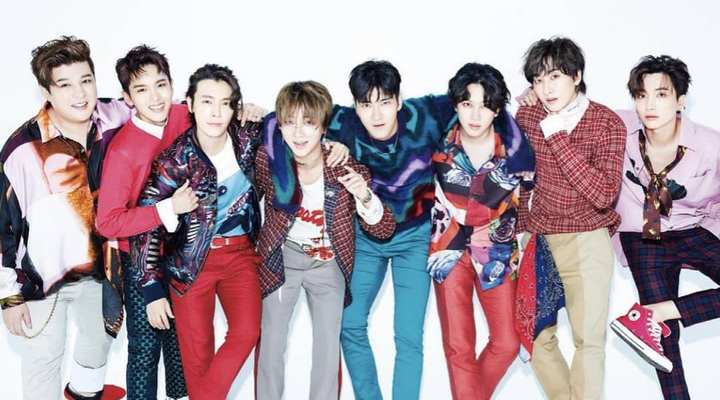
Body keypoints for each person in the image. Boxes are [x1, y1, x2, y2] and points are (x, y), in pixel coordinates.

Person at [0, 36, 130, 400]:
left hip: (99, 270)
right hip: (40, 277)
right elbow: (2, 227)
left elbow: (162, 107)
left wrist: (239, 110)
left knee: (98, 346)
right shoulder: (22, 149)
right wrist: (8, 296)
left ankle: (81, 394)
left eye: (86, 80)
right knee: (44, 361)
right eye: (65, 84)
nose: (80, 93)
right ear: (47, 91)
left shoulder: (115, 117)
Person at [254, 80, 395, 400]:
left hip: (328, 263)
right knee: (271, 344)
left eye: (308, 123)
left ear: (322, 127)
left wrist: (364, 195)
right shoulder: (269, 160)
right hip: (282, 259)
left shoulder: (343, 167)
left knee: (328, 351)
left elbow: (383, 229)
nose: (298, 133)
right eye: (289, 122)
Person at [132, 64, 263, 400]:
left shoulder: (248, 139)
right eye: (207, 101)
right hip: (189, 263)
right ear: (189, 104)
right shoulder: (175, 160)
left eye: (225, 103)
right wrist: (151, 288)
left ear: (235, 107)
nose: (216, 113)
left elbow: (298, 126)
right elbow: (146, 225)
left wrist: (267, 115)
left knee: (247, 332)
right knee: (197, 358)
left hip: (240, 255)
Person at [327, 60, 455, 400]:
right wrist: (252, 111)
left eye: (385, 102)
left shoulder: (425, 114)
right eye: (366, 104)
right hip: (367, 239)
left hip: (414, 238)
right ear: (355, 107)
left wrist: (527, 97)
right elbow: (292, 117)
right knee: (349, 323)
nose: (376, 114)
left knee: (408, 335)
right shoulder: (342, 122)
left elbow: (473, 96)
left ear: (399, 101)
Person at [515, 37, 625, 400]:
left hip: (588, 239)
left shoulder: (606, 123)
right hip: (540, 239)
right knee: (535, 335)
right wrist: (521, 230)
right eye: (538, 80)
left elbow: (603, 194)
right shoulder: (528, 116)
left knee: (588, 340)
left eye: (555, 77)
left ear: (576, 76)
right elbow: (521, 179)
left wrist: (558, 136)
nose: (546, 89)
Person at [609, 55, 720, 400]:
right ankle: (658, 319)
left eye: (661, 94)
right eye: (641, 95)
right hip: (644, 234)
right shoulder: (619, 127)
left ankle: (657, 311)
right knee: (663, 342)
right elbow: (571, 107)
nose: (649, 105)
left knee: (658, 320)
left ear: (680, 100)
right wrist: (531, 96)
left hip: (691, 228)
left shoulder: (711, 146)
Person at [428, 62, 534, 400]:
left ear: (498, 109)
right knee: (458, 346)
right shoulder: (437, 141)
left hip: (496, 251)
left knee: (507, 342)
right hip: (448, 249)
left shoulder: (515, 149)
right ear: (455, 104)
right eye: (467, 103)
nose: (475, 115)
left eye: (485, 105)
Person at [96, 45, 190, 400]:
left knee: (182, 344)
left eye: (161, 85)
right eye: (141, 89)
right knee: (145, 348)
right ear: (127, 98)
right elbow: (108, 223)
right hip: (137, 260)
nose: (155, 97)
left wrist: (247, 110)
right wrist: (167, 208)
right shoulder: (123, 150)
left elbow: (220, 115)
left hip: (182, 253)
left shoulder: (183, 116)